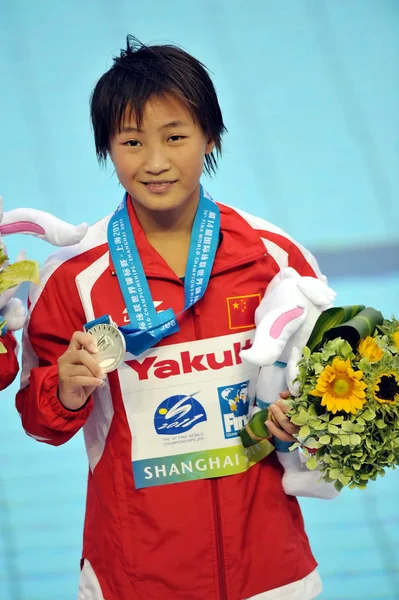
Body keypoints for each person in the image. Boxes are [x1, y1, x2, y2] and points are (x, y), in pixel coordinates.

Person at [16, 36, 334, 600]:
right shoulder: (74, 279)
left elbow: (326, 389)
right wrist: (65, 391)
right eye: (132, 142)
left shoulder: (274, 258)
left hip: (270, 571)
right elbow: (39, 420)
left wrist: (302, 416)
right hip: (135, 575)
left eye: (176, 137)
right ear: (108, 149)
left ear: (210, 136)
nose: (156, 162)